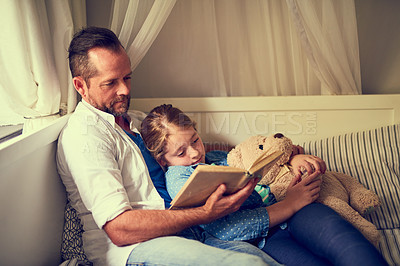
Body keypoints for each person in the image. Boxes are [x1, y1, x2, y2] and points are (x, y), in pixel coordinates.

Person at [56, 26, 281, 266]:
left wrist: (280, 153)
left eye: (127, 77)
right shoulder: (85, 137)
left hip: (190, 232)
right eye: (111, 83)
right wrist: (205, 213)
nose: (125, 90)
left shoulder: (137, 120)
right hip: (135, 249)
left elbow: (193, 150)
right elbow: (119, 229)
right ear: (80, 86)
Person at [140, 104, 389, 266]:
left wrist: (292, 157)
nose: (194, 153)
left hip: (296, 210)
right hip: (264, 237)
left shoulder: (216, 157)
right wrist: (291, 204)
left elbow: (261, 157)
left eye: (195, 140)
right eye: (181, 152)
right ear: (163, 160)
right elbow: (224, 230)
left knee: (347, 243)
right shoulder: (179, 180)